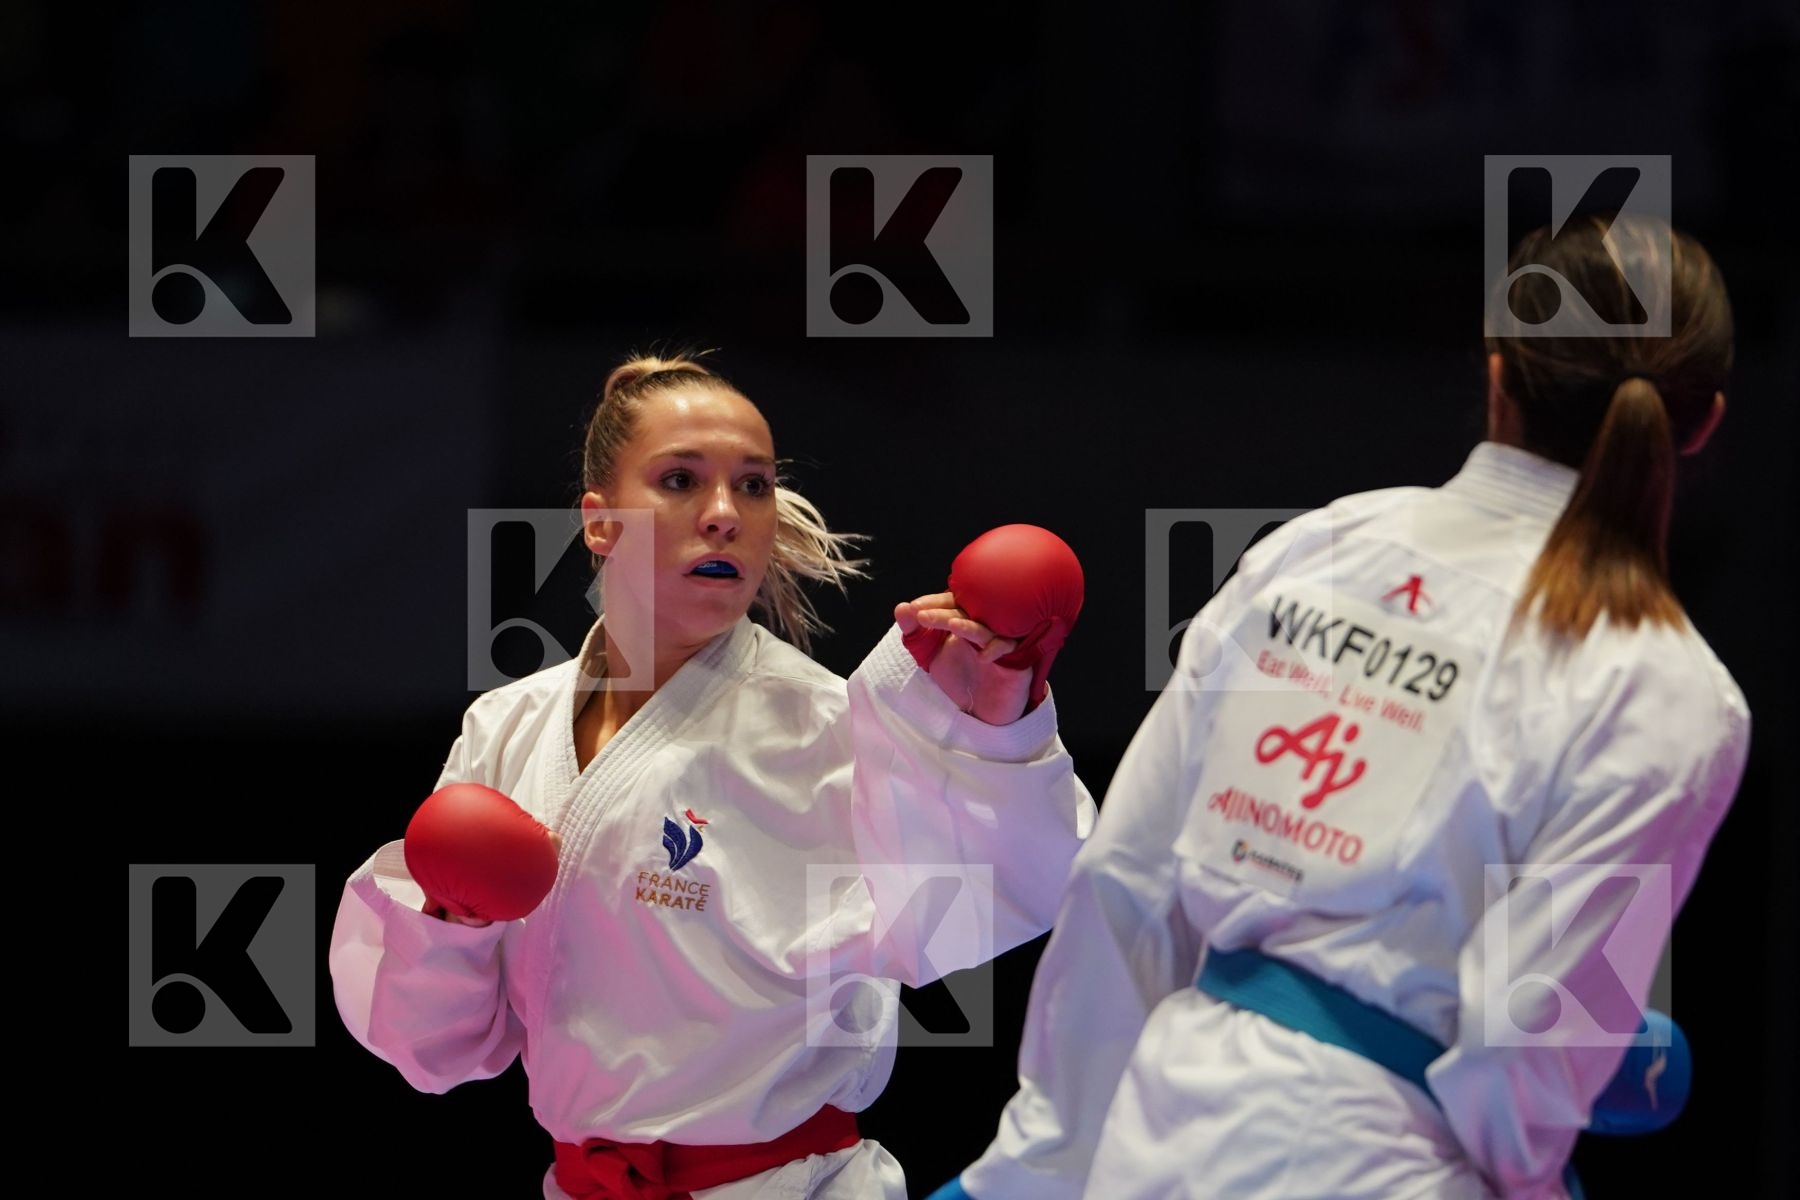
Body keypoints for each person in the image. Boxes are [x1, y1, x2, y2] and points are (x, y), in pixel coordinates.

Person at [941, 213, 1750, 1200]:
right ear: (1702, 421)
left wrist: (1040, 1167)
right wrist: (1530, 1180)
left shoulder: (1320, 549)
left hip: (1165, 1126)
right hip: (1393, 1164)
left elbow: (1128, 880)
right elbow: (1529, 1030)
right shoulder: (1669, 687)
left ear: (1497, 372)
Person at [329, 352, 1097, 1199]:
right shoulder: (507, 728)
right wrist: (451, 920)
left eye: (755, 486)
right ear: (600, 522)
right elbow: (436, 1051)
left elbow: (1014, 885)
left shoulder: (826, 728)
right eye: (681, 479)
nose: (725, 514)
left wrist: (992, 726)